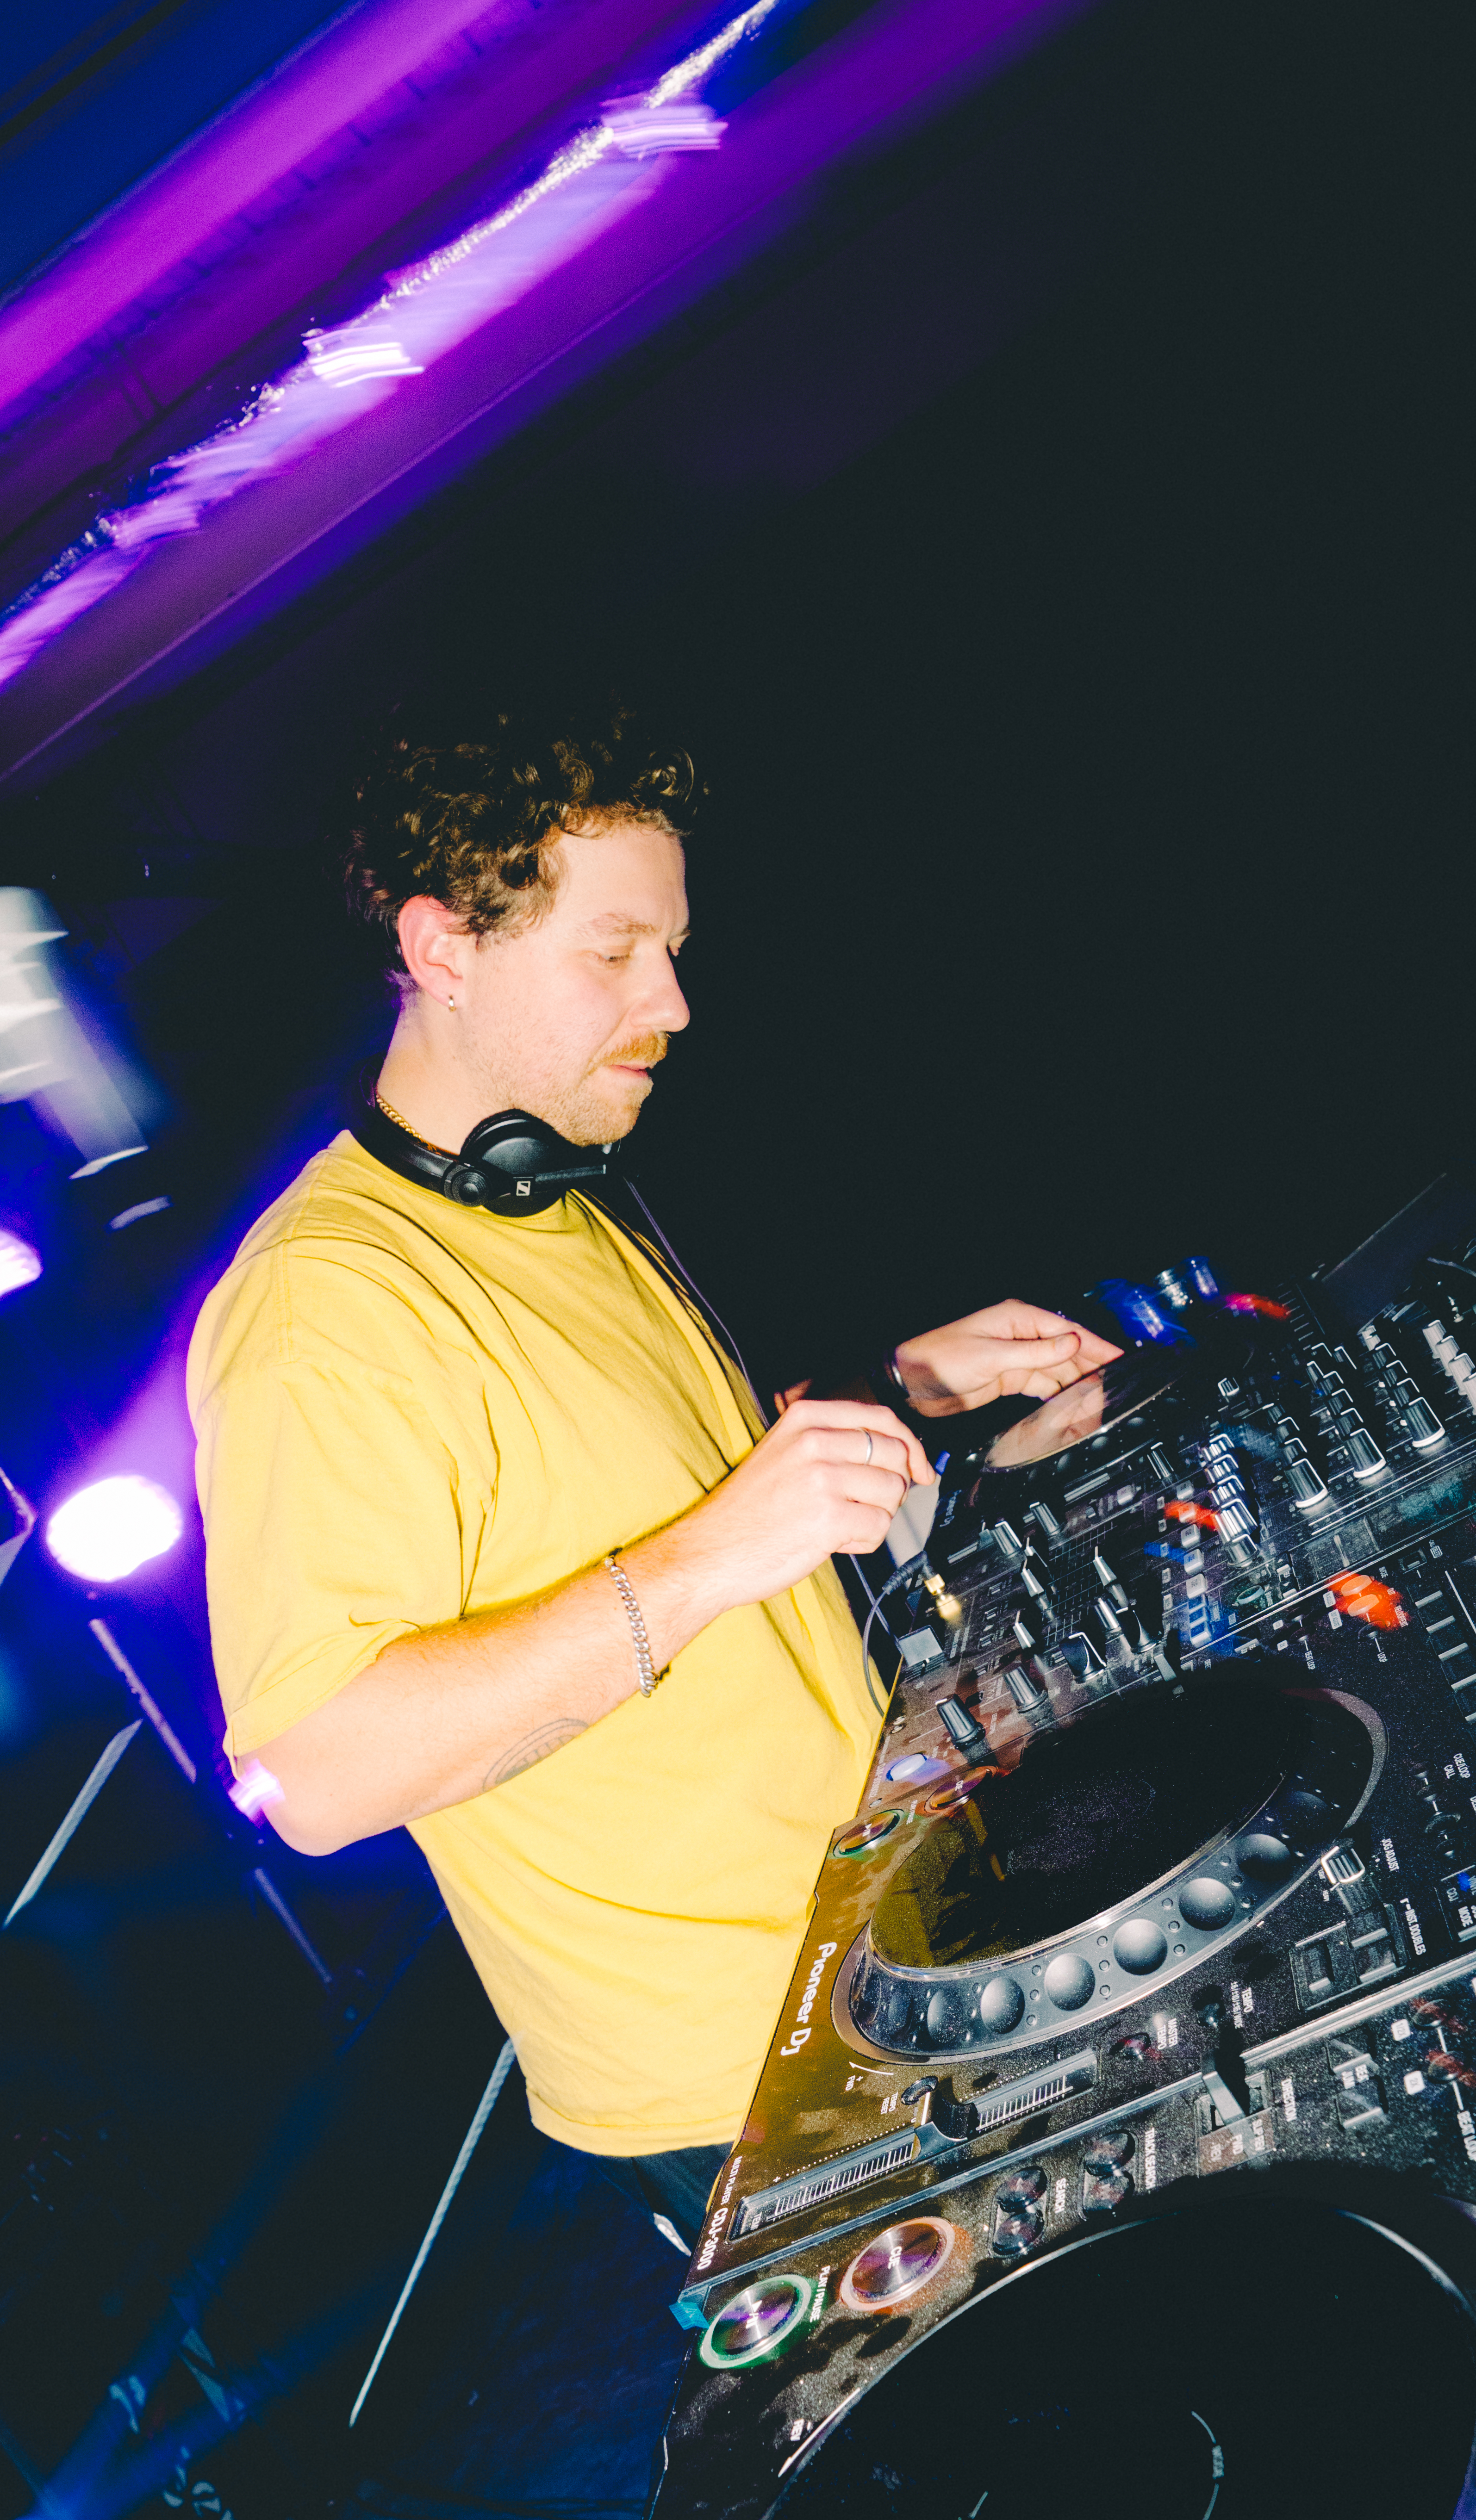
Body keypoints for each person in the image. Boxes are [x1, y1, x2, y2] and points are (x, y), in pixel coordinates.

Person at [185, 710, 1114, 2247]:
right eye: (614, 952)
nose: (671, 1001)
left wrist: (900, 1396)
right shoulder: (326, 1306)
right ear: (445, 947)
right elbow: (320, 1774)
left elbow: (653, 1486)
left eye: (670, 949)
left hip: (900, 1934)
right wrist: (708, 1561)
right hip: (759, 2074)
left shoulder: (550, 1184)